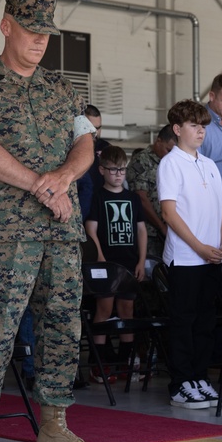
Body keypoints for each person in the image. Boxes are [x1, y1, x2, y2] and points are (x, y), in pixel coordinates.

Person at [0, 0, 105, 442]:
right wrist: (41, 185)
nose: (40, 41)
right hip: (7, 232)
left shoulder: (62, 89)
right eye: (31, 31)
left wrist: (62, 178)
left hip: (60, 230)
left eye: (46, 34)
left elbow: (85, 143)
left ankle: (55, 427)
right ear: (6, 27)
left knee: (63, 327)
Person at [158, 99, 222, 409]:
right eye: (193, 125)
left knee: (205, 322)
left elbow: (220, 209)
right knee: (183, 321)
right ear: (177, 129)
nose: (200, 131)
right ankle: (180, 384)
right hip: (186, 258)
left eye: (203, 125)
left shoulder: (210, 164)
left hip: (212, 257)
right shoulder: (170, 163)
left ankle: (199, 378)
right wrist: (199, 246)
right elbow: (169, 213)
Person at [84, 145, 147, 383]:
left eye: (122, 169)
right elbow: (91, 229)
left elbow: (140, 230)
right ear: (101, 170)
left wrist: (141, 260)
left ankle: (126, 361)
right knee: (103, 309)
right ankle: (98, 362)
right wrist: (99, 256)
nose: (118, 174)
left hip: (129, 262)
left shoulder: (132, 198)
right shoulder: (97, 197)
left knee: (126, 310)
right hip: (106, 262)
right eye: (113, 170)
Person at [126, 124, 176, 258]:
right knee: (150, 271)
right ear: (158, 141)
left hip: (174, 230)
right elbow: (141, 198)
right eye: (168, 149)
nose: (171, 154)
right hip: (150, 232)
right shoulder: (142, 161)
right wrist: (161, 227)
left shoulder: (174, 163)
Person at [77, 104, 109, 220]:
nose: (95, 132)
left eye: (98, 127)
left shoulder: (106, 148)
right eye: (91, 127)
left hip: (101, 209)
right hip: (78, 210)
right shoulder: (70, 148)